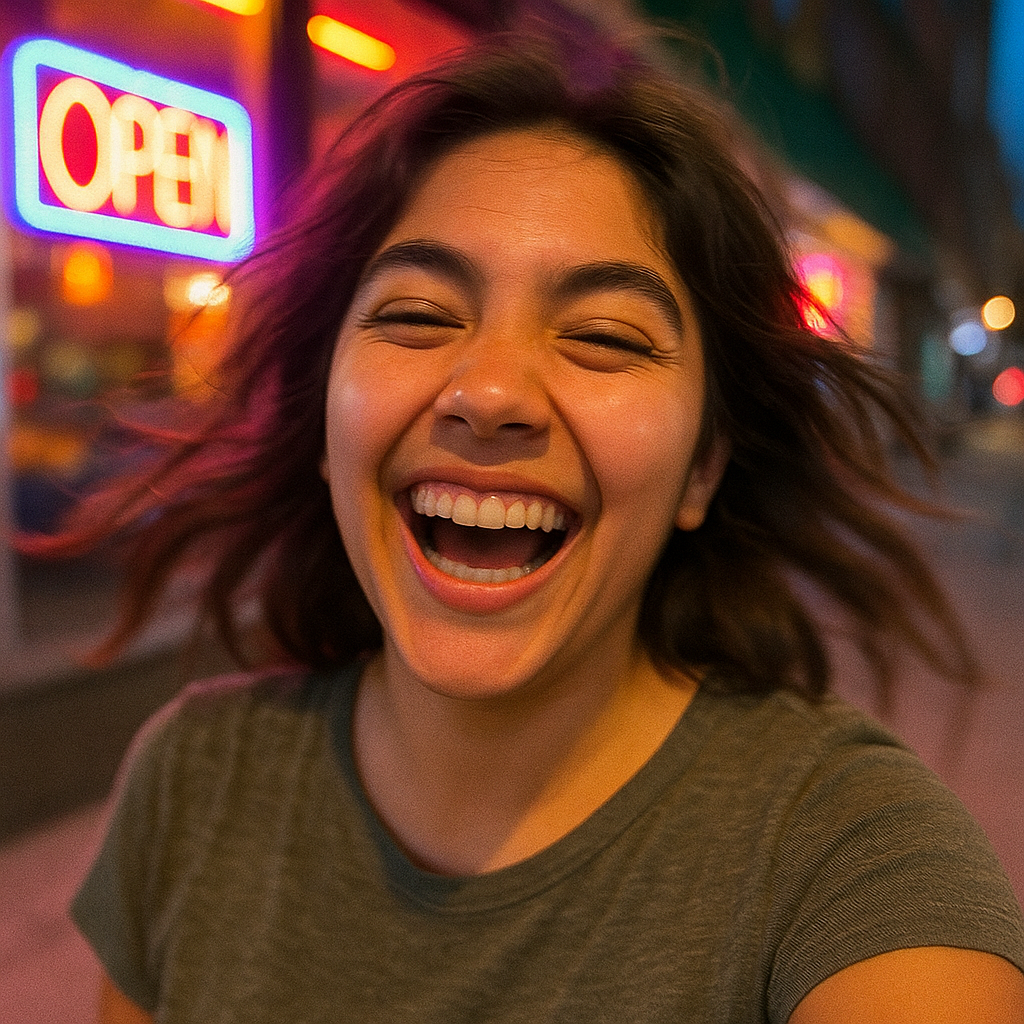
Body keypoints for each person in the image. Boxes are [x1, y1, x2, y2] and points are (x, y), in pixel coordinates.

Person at [54, 26, 1024, 1024]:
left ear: (701, 468)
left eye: (603, 336)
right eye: (418, 316)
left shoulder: (846, 857)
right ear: (325, 426)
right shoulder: (192, 783)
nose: (489, 393)